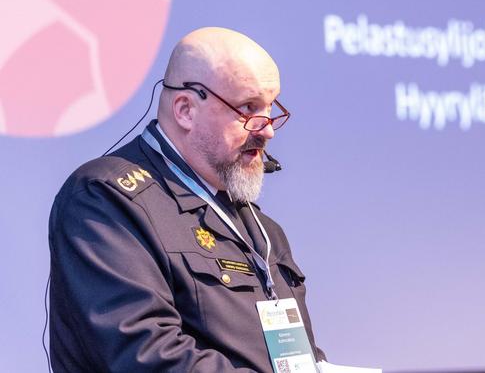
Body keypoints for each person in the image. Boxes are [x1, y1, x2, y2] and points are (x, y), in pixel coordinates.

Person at [48, 27, 328, 371]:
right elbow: (146, 355)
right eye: (248, 108)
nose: (267, 129)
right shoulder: (105, 200)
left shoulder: (263, 230)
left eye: (270, 108)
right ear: (185, 110)